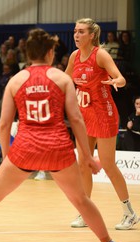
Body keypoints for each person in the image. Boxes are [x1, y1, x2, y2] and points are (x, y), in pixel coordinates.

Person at [0, 28, 119, 242]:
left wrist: (7, 156)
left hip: (25, 149)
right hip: (57, 149)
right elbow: (76, 120)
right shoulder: (62, 78)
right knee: (81, 200)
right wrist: (87, 156)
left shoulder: (16, 80)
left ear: (28, 54)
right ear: (50, 52)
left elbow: (4, 124)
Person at [65, 18, 138, 230]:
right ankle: (85, 212)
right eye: (75, 31)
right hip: (84, 116)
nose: (76, 35)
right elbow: (65, 79)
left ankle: (129, 212)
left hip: (104, 114)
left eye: (80, 32)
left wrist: (117, 81)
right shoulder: (74, 56)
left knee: (108, 164)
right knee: (83, 164)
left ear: (91, 35)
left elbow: (120, 77)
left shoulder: (101, 55)